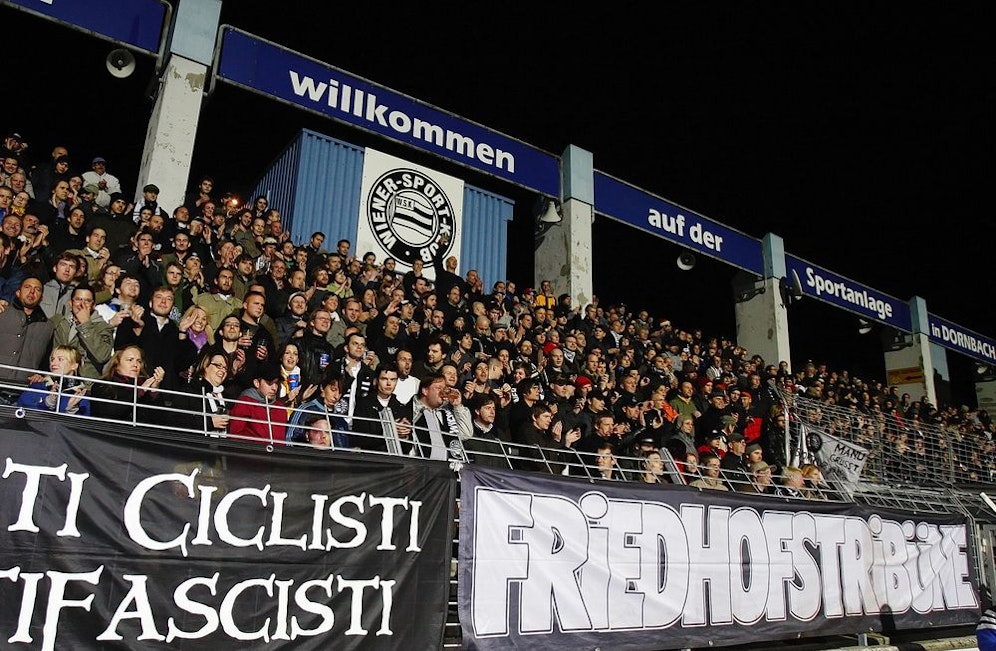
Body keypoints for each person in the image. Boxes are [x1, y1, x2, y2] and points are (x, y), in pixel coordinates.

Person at [49, 284, 114, 380]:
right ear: (70, 303)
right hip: (57, 381)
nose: (82, 304)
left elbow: (103, 356)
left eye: (87, 301)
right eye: (78, 299)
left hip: (86, 384)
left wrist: (85, 324)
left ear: (93, 305)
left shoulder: (103, 327)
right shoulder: (59, 322)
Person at [90, 346, 166, 422]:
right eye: (130, 360)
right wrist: (138, 392)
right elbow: (110, 413)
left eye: (139, 361)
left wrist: (154, 390)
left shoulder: (145, 387)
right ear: (116, 364)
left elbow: (161, 419)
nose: (135, 364)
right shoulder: (102, 385)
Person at [0, 277, 53, 384]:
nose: (32, 291)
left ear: (41, 297)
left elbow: (47, 359)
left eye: (37, 289)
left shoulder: (48, 326)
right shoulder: (2, 312)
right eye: (27, 287)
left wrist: (41, 374)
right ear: (18, 293)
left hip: (25, 386)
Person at [409, 373, 473, 461]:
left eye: (444, 388)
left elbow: (466, 434)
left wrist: (458, 406)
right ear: (425, 391)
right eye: (438, 388)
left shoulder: (444, 413)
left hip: (446, 466)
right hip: (420, 465)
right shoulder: (410, 409)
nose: (443, 392)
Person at [350, 362, 413, 452]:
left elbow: (408, 447)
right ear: (376, 381)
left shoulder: (401, 408)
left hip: (395, 458)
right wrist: (387, 432)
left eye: (393, 379)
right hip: (371, 456)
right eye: (384, 379)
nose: (389, 383)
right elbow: (358, 438)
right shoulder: (364, 404)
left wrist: (404, 435)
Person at [17, 346, 91, 416]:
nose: (53, 363)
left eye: (60, 359)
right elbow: (21, 409)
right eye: (52, 359)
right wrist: (46, 403)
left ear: (74, 365)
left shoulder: (80, 394)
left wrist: (71, 410)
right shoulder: (38, 386)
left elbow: (84, 421)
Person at [229, 362, 288, 446]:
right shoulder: (245, 403)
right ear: (257, 383)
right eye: (269, 383)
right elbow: (235, 436)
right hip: (251, 452)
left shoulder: (280, 408)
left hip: (277, 453)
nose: (274, 388)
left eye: (276, 383)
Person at [173, 353, 234, 434]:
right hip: (196, 441)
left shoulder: (227, 397)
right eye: (218, 366)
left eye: (225, 368)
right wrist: (209, 422)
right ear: (205, 366)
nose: (223, 370)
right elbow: (175, 421)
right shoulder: (190, 391)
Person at [286, 374, 350, 446]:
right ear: (322, 387)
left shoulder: (340, 420)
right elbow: (290, 440)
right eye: (333, 390)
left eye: (340, 393)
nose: (336, 396)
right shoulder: (305, 410)